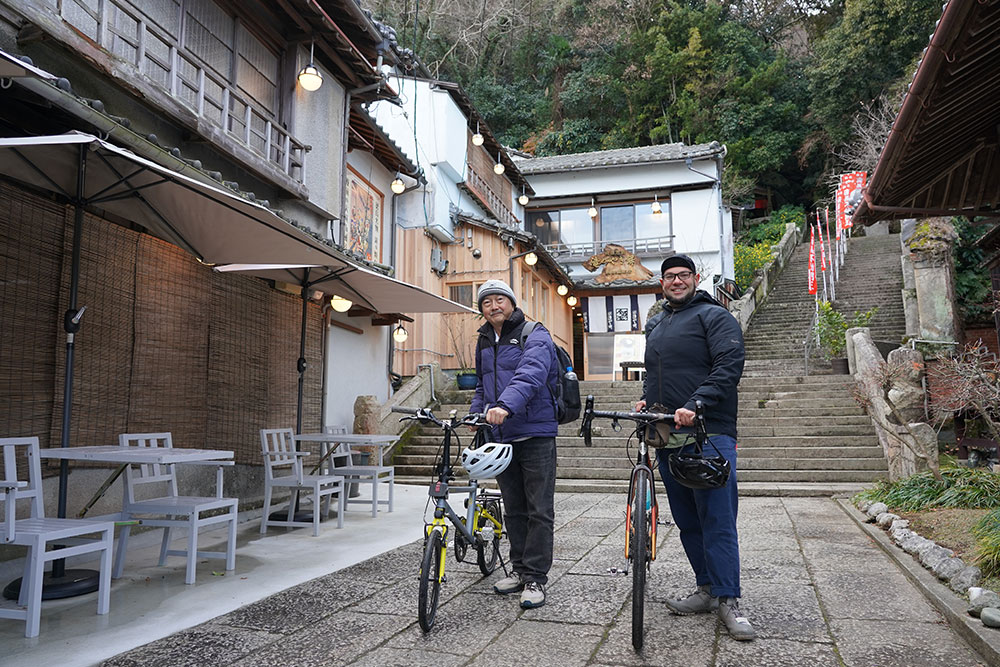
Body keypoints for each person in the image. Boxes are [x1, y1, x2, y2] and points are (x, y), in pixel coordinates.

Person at [634, 254, 754, 641]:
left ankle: (728, 599)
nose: (676, 281)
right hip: (669, 436)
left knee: (717, 519)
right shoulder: (657, 323)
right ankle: (706, 588)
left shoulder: (715, 317)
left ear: (695, 278)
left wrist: (697, 403)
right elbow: (656, 374)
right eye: (669, 276)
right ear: (662, 283)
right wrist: (646, 401)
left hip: (710, 432)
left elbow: (728, 365)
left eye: (683, 275)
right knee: (687, 520)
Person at [469, 279, 559, 609]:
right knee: (514, 508)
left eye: (499, 299)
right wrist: (475, 413)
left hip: (535, 433)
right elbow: (482, 385)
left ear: (511, 302)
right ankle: (520, 570)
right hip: (501, 437)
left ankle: (536, 577)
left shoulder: (534, 333)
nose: (494, 306)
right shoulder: (483, 340)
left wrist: (505, 406)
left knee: (539, 509)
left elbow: (531, 374)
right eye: (486, 302)